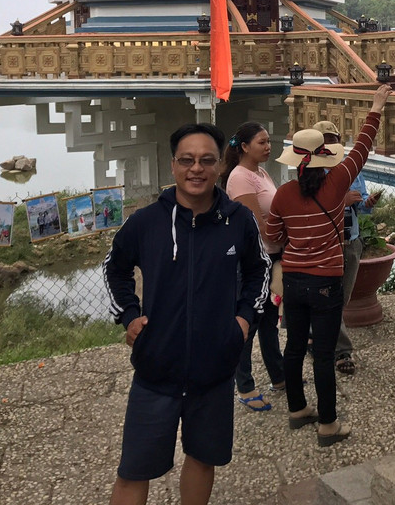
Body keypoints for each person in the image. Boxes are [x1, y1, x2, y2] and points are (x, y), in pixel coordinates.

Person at [103, 122, 270, 505]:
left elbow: (259, 269)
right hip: (155, 371)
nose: (197, 169)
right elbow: (115, 265)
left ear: (218, 166)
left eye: (207, 160)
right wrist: (129, 314)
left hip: (213, 373)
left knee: (202, 458)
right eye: (187, 160)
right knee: (133, 471)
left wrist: (244, 320)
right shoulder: (147, 222)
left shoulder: (237, 221)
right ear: (174, 165)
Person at [266, 84, 392, 446]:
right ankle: (328, 425)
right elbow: (364, 146)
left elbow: (273, 236)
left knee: (293, 347)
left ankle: (296, 410)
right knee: (323, 353)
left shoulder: (283, 194)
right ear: (326, 155)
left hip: (293, 280)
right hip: (326, 281)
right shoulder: (338, 183)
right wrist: (376, 106)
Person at [220, 121, 284, 412]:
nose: (268, 147)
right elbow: (255, 223)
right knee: (249, 321)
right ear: (244, 147)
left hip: (270, 255)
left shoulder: (261, 172)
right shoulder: (240, 177)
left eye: (269, 141)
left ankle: (279, 376)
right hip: (253, 260)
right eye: (261, 142)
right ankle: (244, 386)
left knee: (270, 319)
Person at [313, 119, 383, 376]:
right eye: (326, 140)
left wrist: (367, 202)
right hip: (325, 242)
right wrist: (340, 201)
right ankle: (342, 350)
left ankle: (319, 336)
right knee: (329, 297)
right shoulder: (311, 172)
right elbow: (310, 207)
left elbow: (361, 205)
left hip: (350, 240)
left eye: (334, 139)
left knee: (342, 297)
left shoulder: (352, 169)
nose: (331, 144)